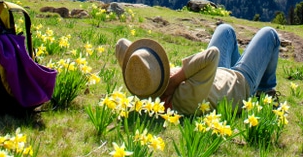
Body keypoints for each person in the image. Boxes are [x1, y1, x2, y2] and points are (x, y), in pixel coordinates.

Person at [115, 23, 281, 116]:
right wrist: (174, 80)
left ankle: (248, 67)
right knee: (270, 34)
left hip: (214, 76)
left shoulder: (147, 87)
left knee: (226, 30)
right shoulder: (185, 99)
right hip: (240, 85)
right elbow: (211, 55)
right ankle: (264, 93)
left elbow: (120, 45)